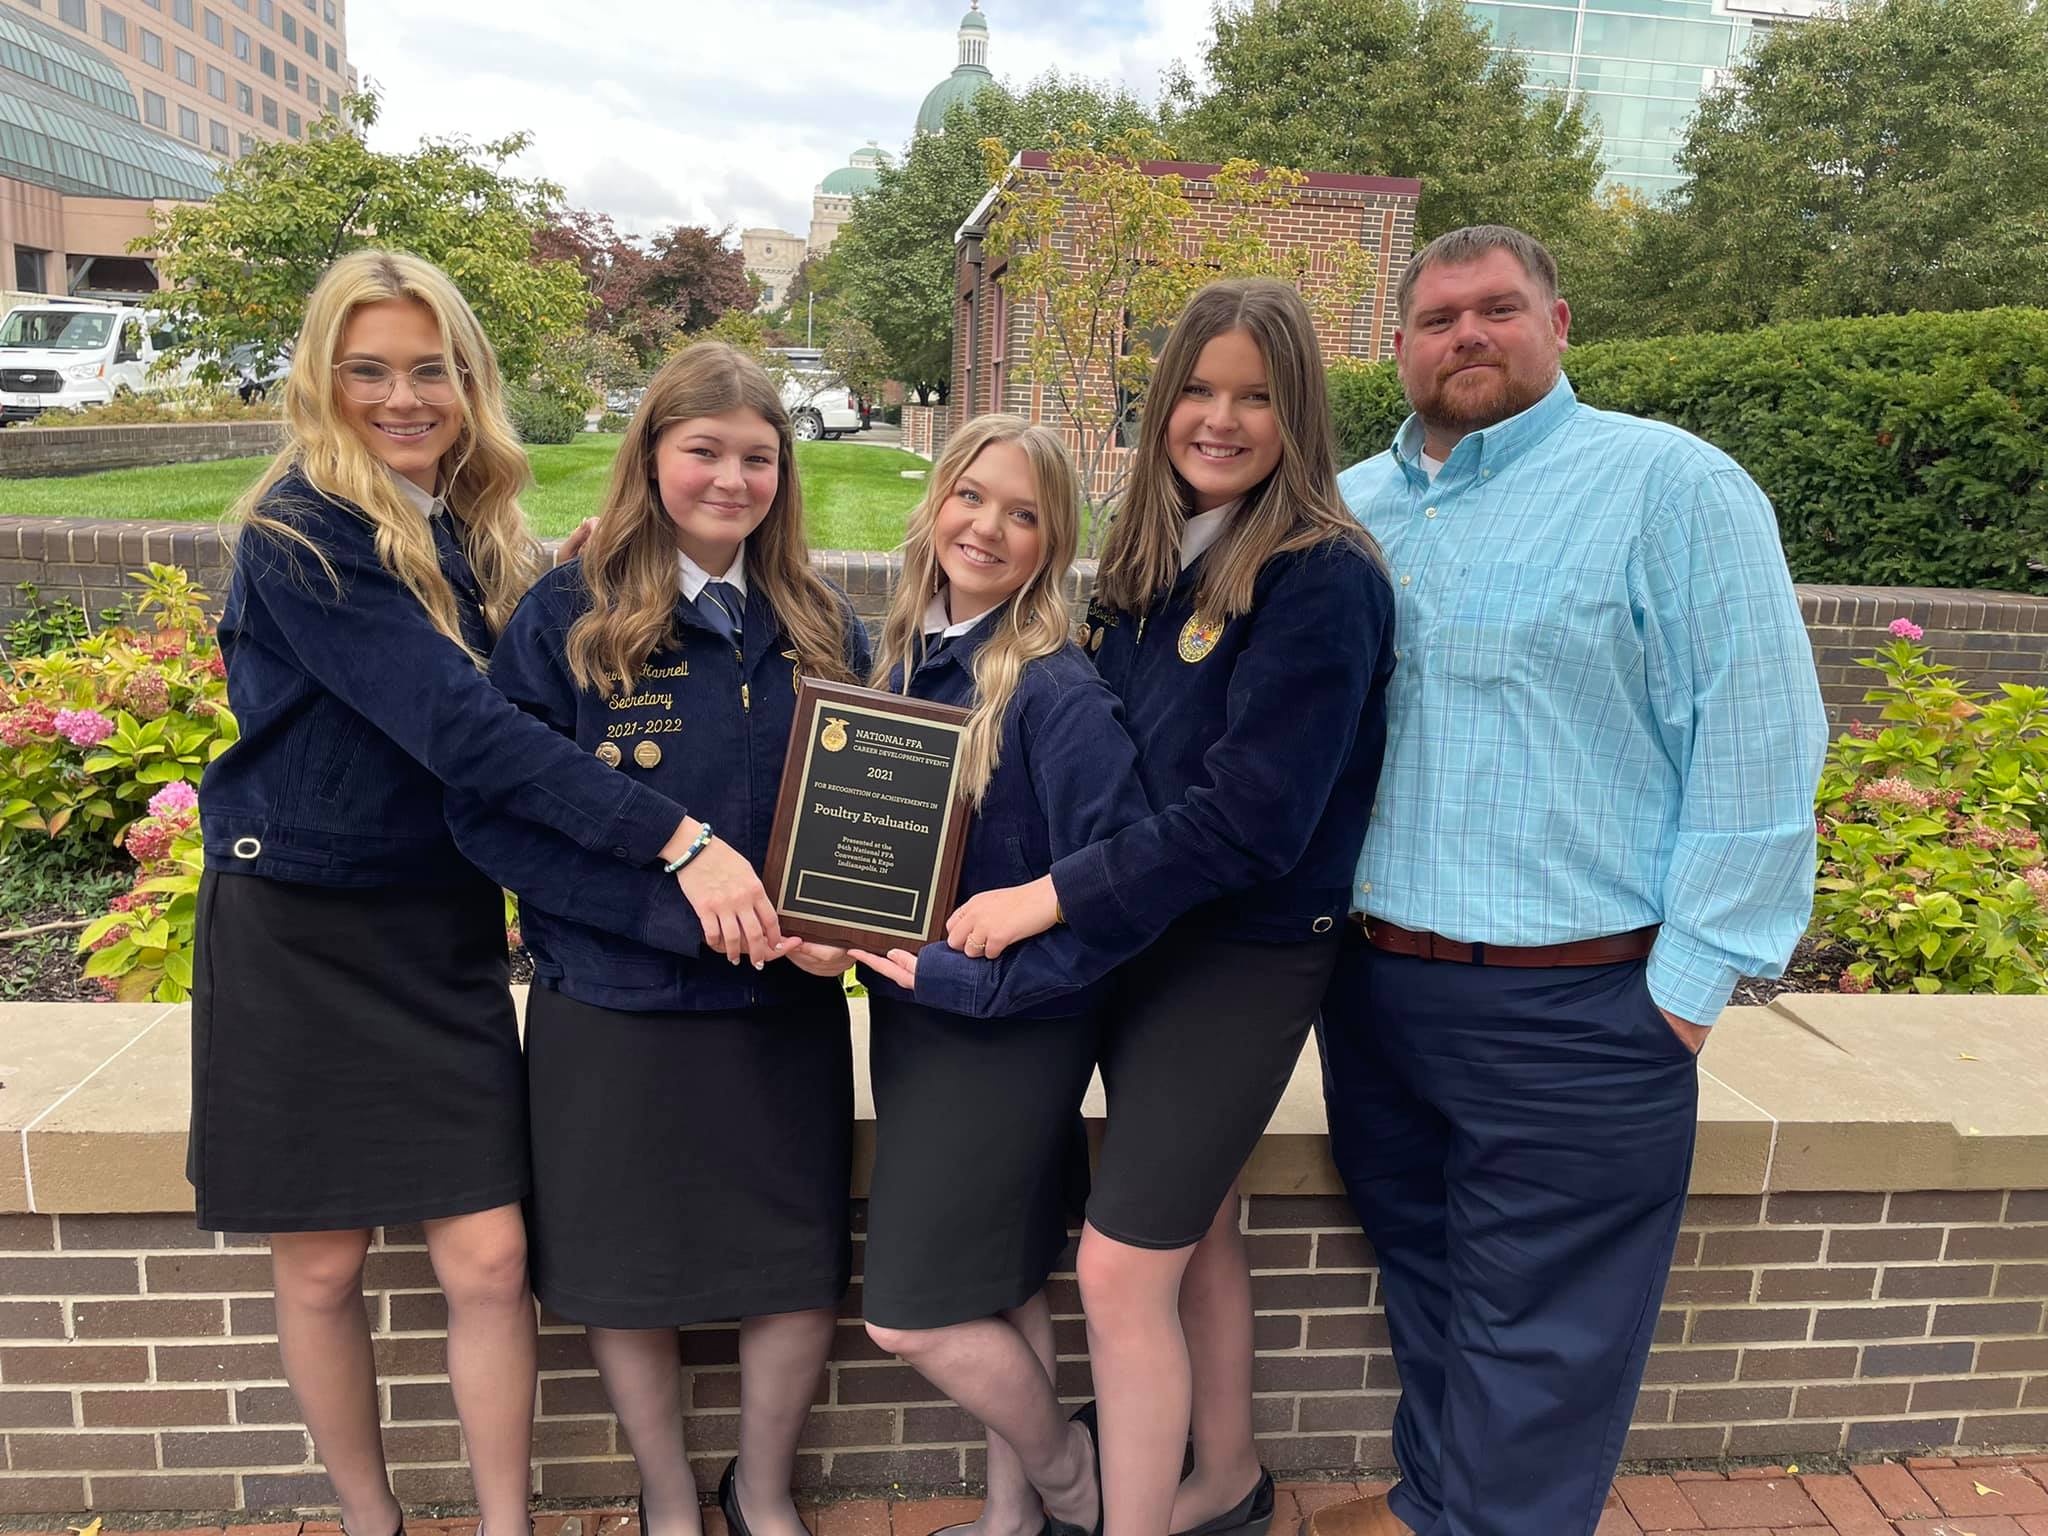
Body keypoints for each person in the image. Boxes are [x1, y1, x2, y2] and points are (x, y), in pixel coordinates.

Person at [191, 251, 748, 1536]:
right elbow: (463, 730)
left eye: (429, 369)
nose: (403, 397)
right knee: (321, 1265)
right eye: (369, 370)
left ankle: (506, 1524)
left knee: (492, 1259)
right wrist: (676, 839)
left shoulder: (461, 521)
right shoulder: (298, 531)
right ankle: (371, 1523)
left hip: (435, 927)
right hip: (299, 928)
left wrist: (559, 585)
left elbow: (503, 682)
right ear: (321, 380)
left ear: (468, 379)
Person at [1310, 225, 1827, 1536]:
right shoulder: (1348, 509)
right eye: (1438, 319)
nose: (1466, 336)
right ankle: (1435, 1505)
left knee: (1544, 1349)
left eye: (1497, 309)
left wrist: (1684, 996)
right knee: (1427, 1285)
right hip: (1375, 994)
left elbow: (1759, 742)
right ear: (1397, 348)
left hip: (1580, 1007)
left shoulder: (1671, 488)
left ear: (1557, 323)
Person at [942, 279, 1397, 1536]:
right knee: (1198, 1236)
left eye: (1255, 396)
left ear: (1298, 414)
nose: (1220, 419)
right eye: (1196, 389)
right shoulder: (1150, 564)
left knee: (1116, 1267)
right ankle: (1225, 1477)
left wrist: (1047, 896)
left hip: (1240, 959)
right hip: (1141, 945)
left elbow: (1254, 819)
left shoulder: (1320, 579)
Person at [446, 341, 865, 1536]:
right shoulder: (569, 616)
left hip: (780, 1016)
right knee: (626, 1278)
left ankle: (761, 1489)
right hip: (614, 1008)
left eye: (757, 458)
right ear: (650, 456)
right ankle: (668, 1491)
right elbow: (492, 814)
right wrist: (668, 912)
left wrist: (839, 932)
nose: (731, 480)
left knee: (794, 1271)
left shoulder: (823, 624)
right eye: (703, 451)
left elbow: (869, 822)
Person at [827, 415, 1148, 1536]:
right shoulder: (902, 656)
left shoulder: (1057, 696)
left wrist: (973, 987)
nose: (987, 528)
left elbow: (1122, 899)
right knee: (1004, 1283)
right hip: (923, 1029)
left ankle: (1068, 1474)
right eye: (971, 497)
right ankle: (1014, 1521)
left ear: (1052, 543)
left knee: (909, 1318)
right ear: (936, 502)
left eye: (1023, 515)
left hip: (1009, 1037)